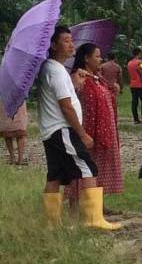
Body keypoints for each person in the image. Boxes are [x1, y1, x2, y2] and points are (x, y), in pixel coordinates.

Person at [39, 25, 121, 230]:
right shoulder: (56, 71)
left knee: (55, 175)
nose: (71, 44)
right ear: (53, 44)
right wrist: (82, 133)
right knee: (88, 168)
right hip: (62, 128)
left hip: (51, 129)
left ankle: (52, 224)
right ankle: (92, 219)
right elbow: (66, 106)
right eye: (66, 40)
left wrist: (75, 83)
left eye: (71, 40)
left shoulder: (52, 68)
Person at [64, 43, 124, 208]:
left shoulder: (97, 78)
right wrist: (78, 84)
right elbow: (73, 98)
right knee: (83, 167)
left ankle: (98, 205)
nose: (100, 59)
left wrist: (114, 89)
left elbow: (106, 97)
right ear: (86, 58)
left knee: (100, 167)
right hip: (88, 130)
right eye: (97, 56)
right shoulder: (78, 76)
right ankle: (74, 206)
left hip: (104, 129)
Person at [1, 99, 28, 165]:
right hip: (14, 98)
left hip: (8, 98)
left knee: (18, 131)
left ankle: (15, 159)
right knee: (10, 131)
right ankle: (17, 159)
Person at [127, 48, 142, 124]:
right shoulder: (139, 62)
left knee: (134, 102)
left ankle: (136, 119)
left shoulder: (129, 63)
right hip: (140, 85)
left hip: (132, 84)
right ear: (139, 53)